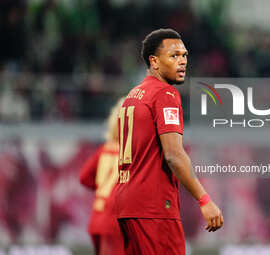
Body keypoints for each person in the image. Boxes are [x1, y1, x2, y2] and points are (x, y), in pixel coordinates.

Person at [113, 28, 223, 255]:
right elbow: (173, 154)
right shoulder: (165, 95)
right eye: (173, 56)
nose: (182, 62)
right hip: (154, 207)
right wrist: (204, 200)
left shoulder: (133, 95)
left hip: (128, 204)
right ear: (154, 61)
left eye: (184, 56)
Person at [80, 98, 125, 255]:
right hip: (115, 223)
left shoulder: (105, 149)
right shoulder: (130, 154)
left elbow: (84, 177)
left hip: (97, 217)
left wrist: (101, 188)